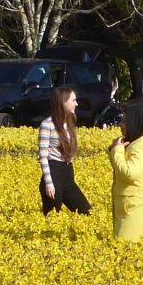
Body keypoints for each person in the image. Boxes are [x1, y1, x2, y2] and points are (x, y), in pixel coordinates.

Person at [108, 105, 143, 242]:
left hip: (140, 209)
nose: (121, 125)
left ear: (135, 122)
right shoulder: (137, 143)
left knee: (131, 252)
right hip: (132, 207)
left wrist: (117, 151)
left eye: (124, 121)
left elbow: (129, 173)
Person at [37, 86, 91, 216]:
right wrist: (49, 184)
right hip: (53, 174)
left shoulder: (69, 122)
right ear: (63, 102)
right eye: (73, 100)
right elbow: (43, 156)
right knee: (53, 218)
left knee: (87, 213)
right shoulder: (47, 125)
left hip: (67, 175)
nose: (76, 104)